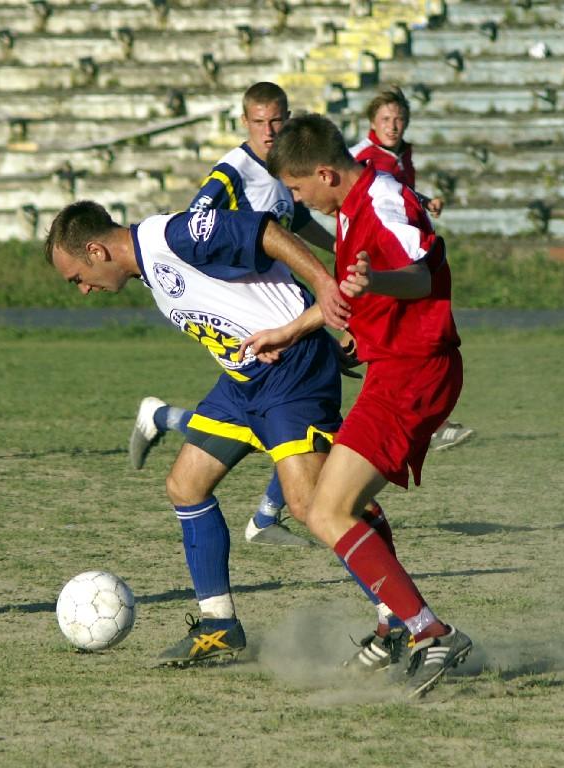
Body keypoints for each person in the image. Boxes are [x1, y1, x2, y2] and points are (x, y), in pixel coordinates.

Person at [44, 200, 359, 667]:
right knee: (185, 485)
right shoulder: (150, 266)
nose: (84, 290)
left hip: (289, 375)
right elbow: (254, 295)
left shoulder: (171, 237)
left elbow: (264, 232)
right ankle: (219, 626)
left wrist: (324, 289)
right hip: (243, 383)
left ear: (96, 250)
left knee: (313, 506)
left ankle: (402, 619)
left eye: (78, 278)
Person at [245, 114, 473, 698]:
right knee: (328, 505)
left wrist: (378, 285)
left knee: (325, 512)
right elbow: (348, 291)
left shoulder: (383, 200)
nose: (298, 200)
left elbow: (419, 277)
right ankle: (394, 624)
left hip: (415, 370)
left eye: (298, 189)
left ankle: (430, 632)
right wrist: (291, 330)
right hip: (392, 371)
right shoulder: (351, 204)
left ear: (324, 173)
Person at [182, 81, 338, 547]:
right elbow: (195, 224)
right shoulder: (232, 172)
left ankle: (273, 511)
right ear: (245, 122)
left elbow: (295, 220)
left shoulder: (284, 168)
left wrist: (336, 246)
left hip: (291, 311)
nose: (269, 130)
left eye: (277, 120)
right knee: (304, 425)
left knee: (303, 418)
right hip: (260, 324)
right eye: (260, 122)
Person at [351, 85, 473, 451]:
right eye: (386, 119)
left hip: (403, 260)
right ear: (373, 122)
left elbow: (394, 194)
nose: (393, 125)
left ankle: (418, 420)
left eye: (399, 118)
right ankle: (416, 422)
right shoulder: (361, 156)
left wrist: (423, 202)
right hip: (380, 260)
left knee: (403, 339)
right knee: (394, 339)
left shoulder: (401, 154)